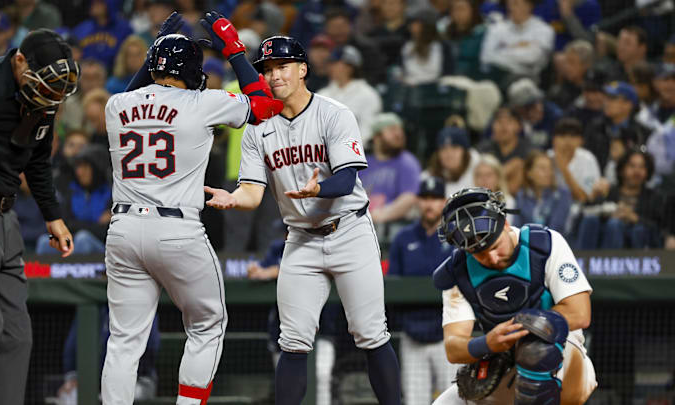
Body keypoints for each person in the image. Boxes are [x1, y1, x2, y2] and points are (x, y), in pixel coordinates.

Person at [204, 35, 402, 405]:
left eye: (282, 66)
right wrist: (233, 198)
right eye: (267, 69)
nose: (274, 75)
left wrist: (319, 190)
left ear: (302, 69)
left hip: (349, 230)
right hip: (300, 239)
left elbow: (346, 179)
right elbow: (253, 192)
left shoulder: (334, 113)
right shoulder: (257, 128)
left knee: (371, 334)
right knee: (292, 341)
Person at [100, 12, 283, 405]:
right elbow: (265, 105)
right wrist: (234, 49)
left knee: (123, 340)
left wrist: (154, 53)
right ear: (192, 71)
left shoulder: (116, 105)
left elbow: (136, 92)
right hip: (177, 230)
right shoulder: (203, 103)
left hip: (123, 231)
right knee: (207, 324)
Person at [0, 28, 78, 405]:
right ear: (19, 60)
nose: (51, 93)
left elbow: (38, 162)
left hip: (7, 220)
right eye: (44, 81)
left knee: (16, 336)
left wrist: (52, 216)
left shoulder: (47, 93)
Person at [432, 187, 598, 405]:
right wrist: (486, 344)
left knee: (537, 351)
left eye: (495, 245)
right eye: (479, 253)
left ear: (506, 225)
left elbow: (580, 313)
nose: (491, 257)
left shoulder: (545, 244)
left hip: (561, 352)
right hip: (503, 359)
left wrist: (515, 330)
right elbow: (453, 347)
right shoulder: (458, 271)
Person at [388, 177, 459, 404]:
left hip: (446, 337)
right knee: (415, 401)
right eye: (425, 198)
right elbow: (393, 289)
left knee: (455, 399)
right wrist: (405, 324)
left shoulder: (456, 238)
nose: (430, 204)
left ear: (444, 202)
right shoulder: (403, 238)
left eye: (436, 199)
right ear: (418, 201)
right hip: (412, 336)